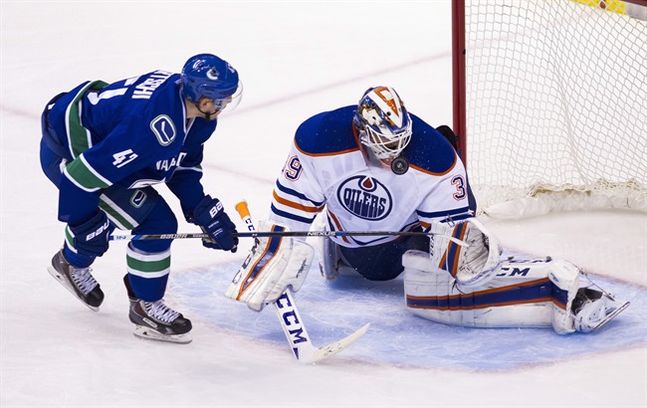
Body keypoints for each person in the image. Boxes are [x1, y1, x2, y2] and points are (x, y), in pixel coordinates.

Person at [226, 86, 629, 334]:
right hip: (354, 245)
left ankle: (559, 293)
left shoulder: (435, 158)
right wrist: (278, 249)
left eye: (400, 145)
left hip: (407, 234)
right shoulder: (318, 138)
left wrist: (464, 253)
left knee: (441, 290)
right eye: (382, 148)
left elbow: (457, 249)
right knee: (386, 270)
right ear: (361, 131)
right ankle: (341, 252)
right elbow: (290, 216)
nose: (392, 156)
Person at [41, 53, 242, 343]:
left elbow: (183, 166)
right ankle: (127, 295)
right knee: (152, 221)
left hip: (96, 144)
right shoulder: (150, 129)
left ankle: (76, 264)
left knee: (145, 219)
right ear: (201, 97)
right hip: (67, 154)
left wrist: (201, 208)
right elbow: (78, 178)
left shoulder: (195, 115)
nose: (224, 104)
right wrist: (84, 223)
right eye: (219, 99)